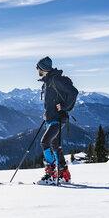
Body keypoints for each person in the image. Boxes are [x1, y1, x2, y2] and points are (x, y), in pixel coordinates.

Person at [36, 56, 78, 185]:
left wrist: (64, 107)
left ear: (43, 68)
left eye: (38, 67)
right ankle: (64, 174)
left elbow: (73, 92)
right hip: (51, 117)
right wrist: (46, 113)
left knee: (45, 142)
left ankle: (51, 174)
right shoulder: (49, 81)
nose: (37, 70)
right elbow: (52, 100)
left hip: (58, 118)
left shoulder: (56, 79)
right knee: (55, 146)